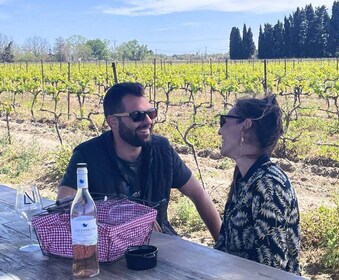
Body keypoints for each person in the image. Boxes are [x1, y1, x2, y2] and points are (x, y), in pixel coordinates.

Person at [57, 82, 221, 240]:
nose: (148, 121)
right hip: (109, 250)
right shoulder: (87, 156)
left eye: (151, 113)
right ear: (113, 121)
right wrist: (131, 219)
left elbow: (199, 195)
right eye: (137, 116)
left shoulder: (162, 151)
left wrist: (222, 248)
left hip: (160, 243)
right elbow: (64, 206)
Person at [214, 95, 300, 274]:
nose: (219, 131)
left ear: (245, 125)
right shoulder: (244, 176)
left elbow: (271, 271)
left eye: (224, 121)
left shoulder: (268, 186)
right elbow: (224, 246)